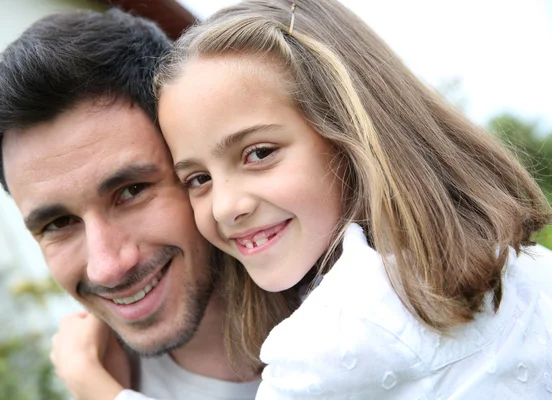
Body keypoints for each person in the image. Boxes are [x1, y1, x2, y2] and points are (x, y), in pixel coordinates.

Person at [52, 0, 552, 399]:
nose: (227, 206)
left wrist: (93, 386)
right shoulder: (527, 268)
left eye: (259, 153)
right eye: (198, 179)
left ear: (350, 133)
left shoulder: (329, 337)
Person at [0, 8, 298, 400]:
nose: (108, 267)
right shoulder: (108, 378)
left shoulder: (364, 297)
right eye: (58, 223)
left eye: (130, 191)